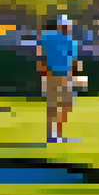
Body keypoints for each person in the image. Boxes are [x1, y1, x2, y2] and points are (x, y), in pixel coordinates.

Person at [35, 14, 84, 144]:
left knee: (62, 105)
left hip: (60, 75)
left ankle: (56, 135)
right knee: (57, 105)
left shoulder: (66, 40)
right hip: (56, 74)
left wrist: (76, 73)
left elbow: (73, 61)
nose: (68, 28)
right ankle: (54, 136)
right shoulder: (55, 38)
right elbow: (41, 52)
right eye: (66, 26)